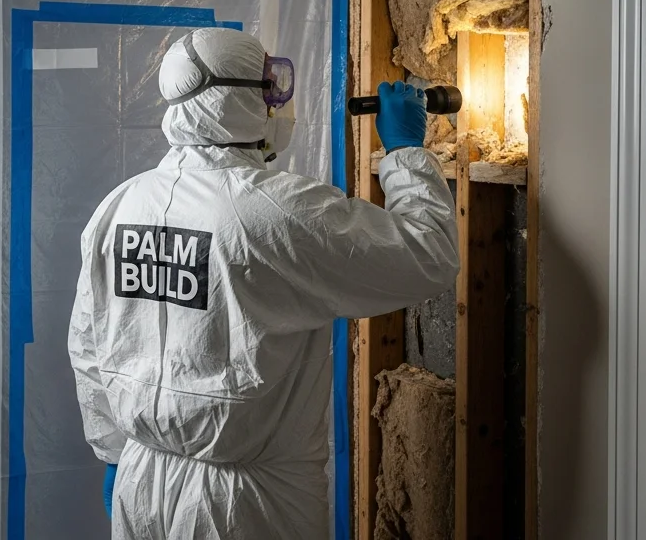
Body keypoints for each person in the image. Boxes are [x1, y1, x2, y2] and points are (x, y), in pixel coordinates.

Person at [67, 27, 459, 539]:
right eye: (270, 86)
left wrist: (113, 452)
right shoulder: (277, 208)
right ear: (239, 100)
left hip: (140, 485)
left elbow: (89, 345)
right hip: (242, 506)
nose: (279, 101)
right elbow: (427, 255)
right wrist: (406, 153)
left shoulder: (121, 205)